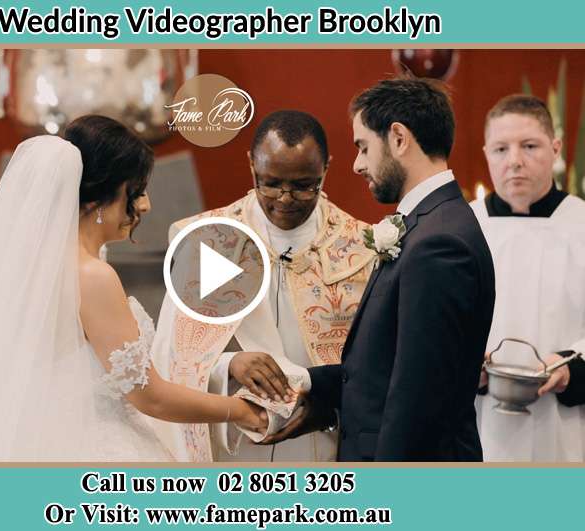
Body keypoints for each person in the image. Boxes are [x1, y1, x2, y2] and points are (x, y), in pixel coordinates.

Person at [0, 115, 266, 461]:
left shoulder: (38, 265)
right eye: (135, 191)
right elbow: (148, 395)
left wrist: (224, 367)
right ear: (97, 198)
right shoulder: (92, 275)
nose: (146, 205)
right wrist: (239, 410)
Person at [262, 78, 496, 461]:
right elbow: (383, 370)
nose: (356, 164)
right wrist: (305, 380)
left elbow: (417, 400)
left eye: (363, 147)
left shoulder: (439, 243)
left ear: (399, 138)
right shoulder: (431, 225)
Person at [149, 110, 375, 462]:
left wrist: (329, 410)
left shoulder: (362, 248)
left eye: (303, 185)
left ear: (326, 168)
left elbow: (377, 364)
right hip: (237, 447)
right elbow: (168, 355)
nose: (285, 199)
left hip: (321, 445)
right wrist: (228, 364)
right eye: (270, 182)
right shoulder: (210, 240)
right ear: (252, 164)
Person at [472, 94, 585, 461]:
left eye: (530, 146)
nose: (515, 161)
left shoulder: (580, 223)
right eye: (501, 149)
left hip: (565, 428)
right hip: (478, 426)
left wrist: (573, 369)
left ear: (556, 148)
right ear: (486, 152)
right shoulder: (463, 228)